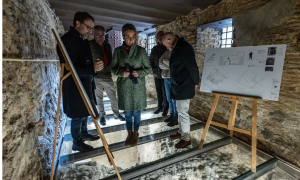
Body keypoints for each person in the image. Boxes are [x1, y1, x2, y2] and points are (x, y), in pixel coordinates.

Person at [57, 12, 104, 152]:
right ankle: (77, 142)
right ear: (78, 23)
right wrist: (91, 67)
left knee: (85, 111)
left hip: (85, 83)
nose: (90, 31)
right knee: (78, 115)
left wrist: (93, 65)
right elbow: (71, 67)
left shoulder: (81, 39)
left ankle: (84, 133)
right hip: (74, 85)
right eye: (88, 27)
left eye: (91, 28)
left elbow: (85, 60)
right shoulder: (67, 40)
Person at [111, 23, 151, 147]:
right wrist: (121, 73)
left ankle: (136, 132)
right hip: (124, 86)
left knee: (137, 112)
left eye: (133, 37)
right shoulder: (118, 51)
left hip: (137, 86)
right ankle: (129, 132)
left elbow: (148, 68)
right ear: (123, 37)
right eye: (128, 37)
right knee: (128, 112)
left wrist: (139, 72)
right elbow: (112, 69)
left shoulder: (141, 51)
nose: (131, 39)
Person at [163, 32, 200, 149]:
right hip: (179, 84)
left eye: (166, 45)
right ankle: (181, 131)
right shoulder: (179, 46)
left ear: (170, 40)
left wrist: (196, 81)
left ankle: (186, 138)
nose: (167, 47)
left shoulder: (184, 47)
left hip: (185, 84)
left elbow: (192, 65)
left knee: (183, 112)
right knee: (180, 111)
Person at [89, 25, 125, 126]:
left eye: (102, 35)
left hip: (107, 75)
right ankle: (102, 116)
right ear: (94, 34)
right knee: (99, 98)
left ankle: (116, 114)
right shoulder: (89, 45)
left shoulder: (107, 45)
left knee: (113, 97)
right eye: (97, 34)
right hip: (96, 76)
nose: (100, 37)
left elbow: (110, 59)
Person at [149, 31, 169, 116]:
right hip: (156, 74)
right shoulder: (154, 48)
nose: (160, 38)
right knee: (159, 92)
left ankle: (166, 107)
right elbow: (151, 59)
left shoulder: (167, 48)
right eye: (159, 36)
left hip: (164, 74)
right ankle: (160, 106)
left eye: (161, 36)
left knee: (165, 93)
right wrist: (152, 67)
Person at [159, 46, 178, 126]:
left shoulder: (177, 52)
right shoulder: (166, 52)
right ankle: (172, 114)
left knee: (174, 99)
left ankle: (176, 117)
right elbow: (160, 63)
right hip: (166, 77)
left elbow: (175, 65)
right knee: (169, 98)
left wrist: (166, 62)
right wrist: (169, 64)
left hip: (173, 77)